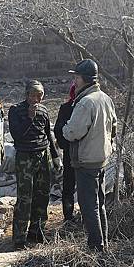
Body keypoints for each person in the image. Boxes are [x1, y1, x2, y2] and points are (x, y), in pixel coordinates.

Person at [62, 60, 117, 252]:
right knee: (99, 204)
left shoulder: (85, 102)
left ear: (84, 79)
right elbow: (114, 128)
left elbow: (73, 132)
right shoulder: (105, 98)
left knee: (88, 207)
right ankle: (104, 245)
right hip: (101, 160)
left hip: (86, 161)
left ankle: (96, 248)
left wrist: (64, 129)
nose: (74, 81)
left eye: (76, 77)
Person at [8, 80, 61, 250]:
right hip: (25, 156)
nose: (37, 99)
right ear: (27, 95)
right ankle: (19, 238)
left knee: (42, 195)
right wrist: (29, 118)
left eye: (40, 95)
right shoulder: (16, 111)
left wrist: (55, 157)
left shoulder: (44, 111)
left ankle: (37, 232)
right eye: (33, 95)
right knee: (25, 198)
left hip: (42, 155)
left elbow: (48, 135)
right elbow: (16, 135)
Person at [54, 82, 77, 221]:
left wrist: (65, 145)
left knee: (69, 184)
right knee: (70, 184)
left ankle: (68, 216)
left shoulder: (67, 107)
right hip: (78, 152)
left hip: (71, 151)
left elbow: (58, 130)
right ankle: (69, 216)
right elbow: (58, 130)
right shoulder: (69, 108)